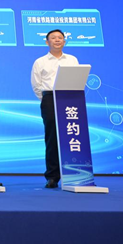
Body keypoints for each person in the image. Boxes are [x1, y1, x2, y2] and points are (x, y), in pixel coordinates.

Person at [31, 29, 79, 189]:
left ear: (64, 41)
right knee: (52, 137)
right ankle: (52, 176)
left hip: (70, 99)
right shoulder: (40, 61)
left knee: (72, 134)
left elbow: (77, 79)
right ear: (47, 42)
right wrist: (47, 99)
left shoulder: (72, 60)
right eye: (53, 38)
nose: (57, 40)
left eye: (60, 38)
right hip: (50, 98)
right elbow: (36, 85)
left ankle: (74, 172)